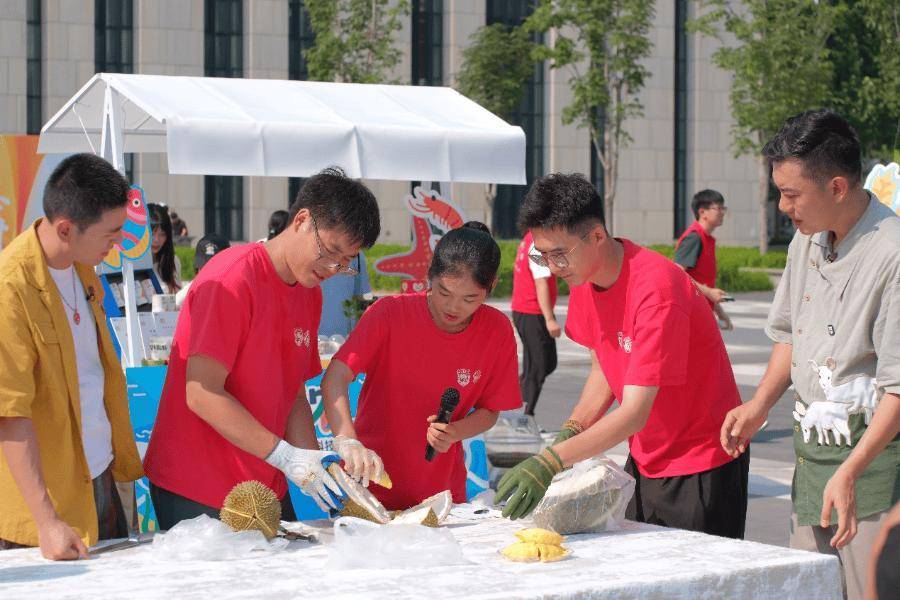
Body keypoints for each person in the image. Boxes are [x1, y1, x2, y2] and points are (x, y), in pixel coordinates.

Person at [495, 173, 748, 540]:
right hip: (647, 457)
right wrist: (572, 430)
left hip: (701, 461)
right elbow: (604, 367)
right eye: (542, 255)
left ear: (597, 236)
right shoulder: (584, 278)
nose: (552, 267)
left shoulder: (656, 290)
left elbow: (634, 412)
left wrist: (551, 460)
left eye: (559, 254)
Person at [720, 109, 900, 600]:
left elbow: (897, 389)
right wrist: (759, 406)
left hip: (872, 469)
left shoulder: (891, 254)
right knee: (808, 587)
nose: (783, 206)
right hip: (812, 461)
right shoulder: (807, 242)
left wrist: (852, 471)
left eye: (792, 194)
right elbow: (790, 336)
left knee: (870, 589)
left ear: (837, 187)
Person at [143, 167, 381, 528]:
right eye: (331, 252)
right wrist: (285, 456)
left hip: (265, 483)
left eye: (346, 262)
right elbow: (202, 393)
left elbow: (293, 394)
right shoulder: (232, 279)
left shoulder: (309, 294)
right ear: (302, 220)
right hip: (199, 485)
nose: (333, 268)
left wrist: (314, 464)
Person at [0, 153, 143, 559]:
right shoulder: (10, 288)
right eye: (111, 233)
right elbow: (10, 413)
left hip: (99, 475)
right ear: (66, 228)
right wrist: (46, 521)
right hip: (45, 500)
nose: (119, 242)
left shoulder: (83, 269)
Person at [321, 222, 523, 510]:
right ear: (430, 274)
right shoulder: (389, 314)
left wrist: (455, 431)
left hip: (440, 496)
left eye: (470, 299)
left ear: (491, 287)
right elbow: (336, 376)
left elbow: (490, 411)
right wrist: (347, 440)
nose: (453, 307)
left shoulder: (497, 330)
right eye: (444, 292)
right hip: (368, 487)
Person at [511, 230, 560, 416]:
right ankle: (524, 418)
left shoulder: (530, 238)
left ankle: (512, 396)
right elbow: (541, 283)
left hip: (529, 312)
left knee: (548, 363)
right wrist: (550, 319)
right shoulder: (537, 245)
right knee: (537, 368)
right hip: (532, 312)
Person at [674, 189, 732, 330]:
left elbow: (701, 279)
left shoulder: (706, 239)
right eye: (718, 208)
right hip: (689, 312)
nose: (722, 212)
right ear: (702, 212)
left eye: (723, 208)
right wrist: (709, 293)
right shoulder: (694, 238)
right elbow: (677, 273)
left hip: (699, 311)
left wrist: (719, 311)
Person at [319, 251, 371, 338]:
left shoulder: (356, 254)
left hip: (345, 337)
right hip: (308, 336)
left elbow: (360, 300)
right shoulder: (307, 251)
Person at [174, 233, 231, 309]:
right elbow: (175, 304)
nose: (209, 274)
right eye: (204, 268)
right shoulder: (190, 291)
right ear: (197, 268)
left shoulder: (233, 292)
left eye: (215, 268)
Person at [149, 203, 182, 294]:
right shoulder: (131, 265)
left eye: (162, 234)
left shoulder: (173, 261)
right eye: (152, 234)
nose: (157, 240)